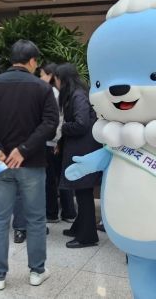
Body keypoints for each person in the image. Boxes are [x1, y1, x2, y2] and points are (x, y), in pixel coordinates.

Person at [0, 39, 59, 290]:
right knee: (35, 219)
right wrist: (23, 149)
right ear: (32, 61)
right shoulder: (41, 88)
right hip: (31, 162)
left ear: (11, 60)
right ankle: (36, 271)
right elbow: (50, 122)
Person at [54, 63, 101, 248]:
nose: (56, 82)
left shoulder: (77, 95)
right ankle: (79, 227)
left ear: (63, 79)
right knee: (82, 191)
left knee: (83, 192)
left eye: (57, 79)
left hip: (83, 151)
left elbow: (81, 124)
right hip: (82, 149)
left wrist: (62, 127)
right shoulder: (77, 94)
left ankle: (88, 236)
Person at [38, 63, 76, 224]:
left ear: (51, 75)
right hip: (57, 140)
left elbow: (55, 120)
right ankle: (67, 212)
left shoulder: (51, 92)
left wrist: (54, 141)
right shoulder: (58, 92)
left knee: (50, 179)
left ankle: (53, 213)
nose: (40, 78)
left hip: (52, 141)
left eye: (42, 75)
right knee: (60, 177)